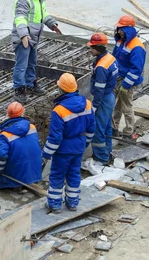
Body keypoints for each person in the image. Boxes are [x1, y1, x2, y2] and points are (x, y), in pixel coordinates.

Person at [42, 73, 96, 213]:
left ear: (61, 89)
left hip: (63, 150)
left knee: (57, 176)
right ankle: (72, 203)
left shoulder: (59, 110)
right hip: (78, 147)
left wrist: (46, 154)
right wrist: (84, 143)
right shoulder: (87, 104)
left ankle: (54, 204)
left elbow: (55, 138)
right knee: (74, 174)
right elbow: (91, 129)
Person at [11, 0, 63, 104]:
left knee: (32, 63)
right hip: (24, 38)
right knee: (21, 65)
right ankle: (19, 89)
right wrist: (23, 35)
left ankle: (30, 84)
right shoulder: (24, 0)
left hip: (33, 38)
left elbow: (43, 14)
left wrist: (52, 24)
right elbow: (20, 18)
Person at [0, 102, 42, 189]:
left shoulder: (5, 135)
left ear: (8, 115)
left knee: (0, 159)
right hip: (35, 171)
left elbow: (1, 155)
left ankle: (15, 184)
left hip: (16, 175)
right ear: (23, 112)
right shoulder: (32, 127)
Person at [112, 15, 146, 138]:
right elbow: (115, 58)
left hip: (128, 81)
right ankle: (113, 127)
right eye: (119, 29)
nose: (119, 31)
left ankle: (129, 132)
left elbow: (136, 70)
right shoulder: (121, 41)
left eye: (121, 29)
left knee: (126, 107)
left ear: (128, 29)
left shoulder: (137, 47)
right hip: (118, 77)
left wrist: (126, 85)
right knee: (117, 106)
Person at [87, 33, 118, 165]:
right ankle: (108, 151)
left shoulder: (101, 67)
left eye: (92, 48)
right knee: (106, 127)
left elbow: (99, 88)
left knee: (97, 129)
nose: (90, 50)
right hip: (109, 96)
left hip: (103, 99)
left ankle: (101, 158)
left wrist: (95, 105)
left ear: (98, 48)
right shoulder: (110, 58)